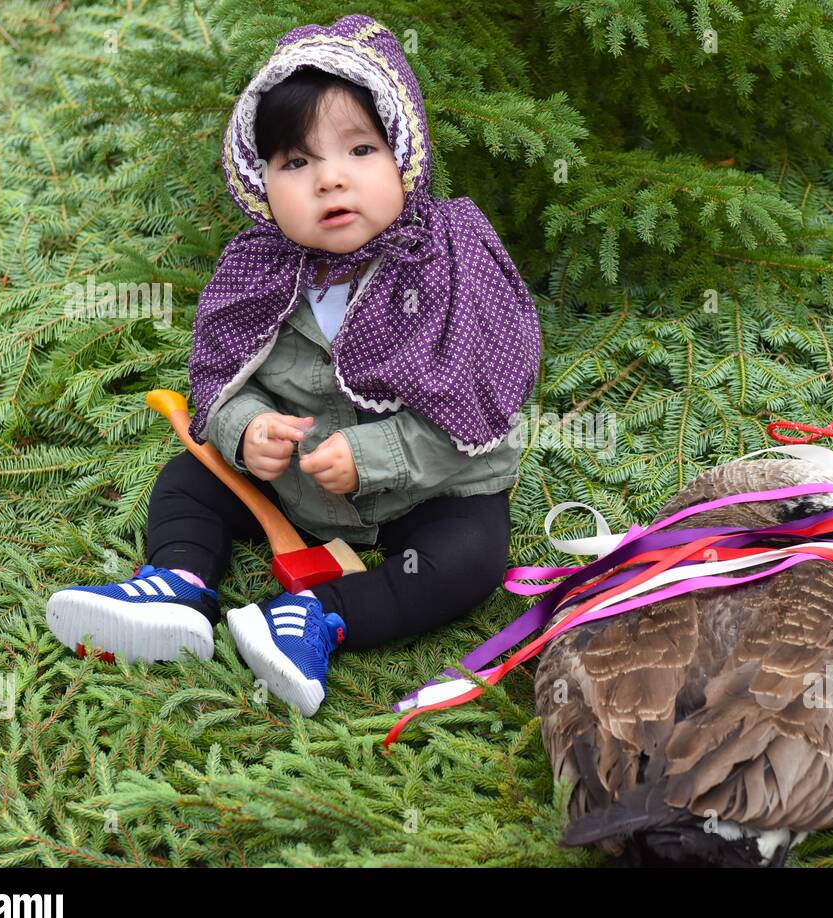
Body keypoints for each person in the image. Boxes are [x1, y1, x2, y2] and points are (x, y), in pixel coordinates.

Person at [46, 14, 541, 718]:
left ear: (403, 153)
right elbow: (219, 384)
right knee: (190, 481)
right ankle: (177, 585)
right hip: (297, 486)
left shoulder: (451, 261)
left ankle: (319, 614)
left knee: (470, 558)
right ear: (260, 179)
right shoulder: (260, 271)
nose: (330, 179)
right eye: (296, 163)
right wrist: (248, 432)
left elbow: (478, 404)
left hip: (428, 490)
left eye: (360, 149)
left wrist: (373, 455)